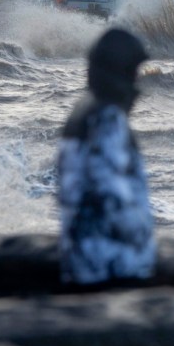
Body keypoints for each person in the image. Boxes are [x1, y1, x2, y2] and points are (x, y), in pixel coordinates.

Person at [56, 28, 155, 284]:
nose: (137, 85)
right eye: (133, 74)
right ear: (119, 73)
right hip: (111, 268)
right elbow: (111, 198)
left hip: (85, 260)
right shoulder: (107, 119)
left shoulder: (83, 110)